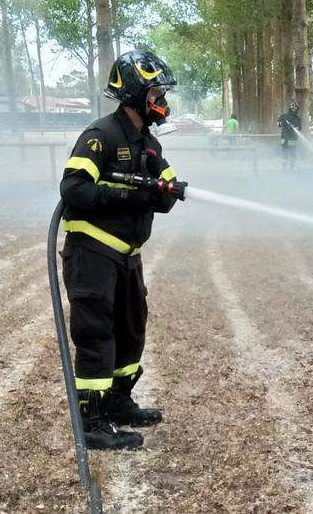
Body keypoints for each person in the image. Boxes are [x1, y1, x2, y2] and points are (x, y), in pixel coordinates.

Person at [59, 50, 182, 451]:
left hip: (127, 256)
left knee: (130, 330)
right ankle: (92, 420)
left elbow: (164, 194)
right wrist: (131, 193)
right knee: (96, 334)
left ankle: (118, 400)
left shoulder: (148, 143)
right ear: (133, 94)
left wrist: (165, 190)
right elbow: (74, 190)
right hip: (92, 252)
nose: (161, 101)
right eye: (155, 93)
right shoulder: (100, 136)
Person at [277, 101, 302, 170]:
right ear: (290, 108)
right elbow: (278, 124)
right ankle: (284, 169)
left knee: (293, 155)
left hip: (293, 139)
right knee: (285, 155)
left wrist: (294, 127)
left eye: (296, 109)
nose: (294, 110)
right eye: (293, 108)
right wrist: (282, 123)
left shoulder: (298, 118)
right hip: (284, 139)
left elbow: (299, 128)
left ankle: (291, 169)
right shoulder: (284, 116)